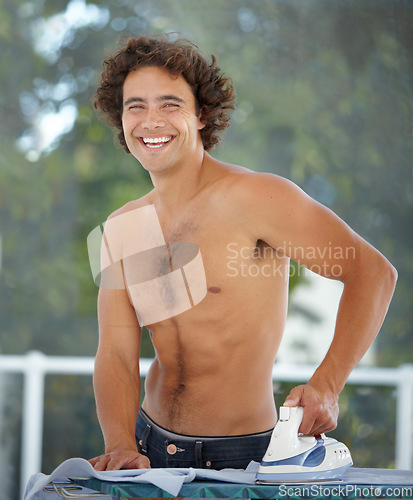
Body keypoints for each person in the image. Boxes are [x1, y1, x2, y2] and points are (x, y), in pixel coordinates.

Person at [88, 34, 397, 472]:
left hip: (245, 455)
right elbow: (115, 354)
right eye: (135, 105)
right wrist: (120, 443)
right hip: (148, 450)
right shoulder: (122, 227)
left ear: (201, 116)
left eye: (170, 104)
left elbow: (372, 273)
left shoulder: (256, 198)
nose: (150, 120)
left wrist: (327, 385)